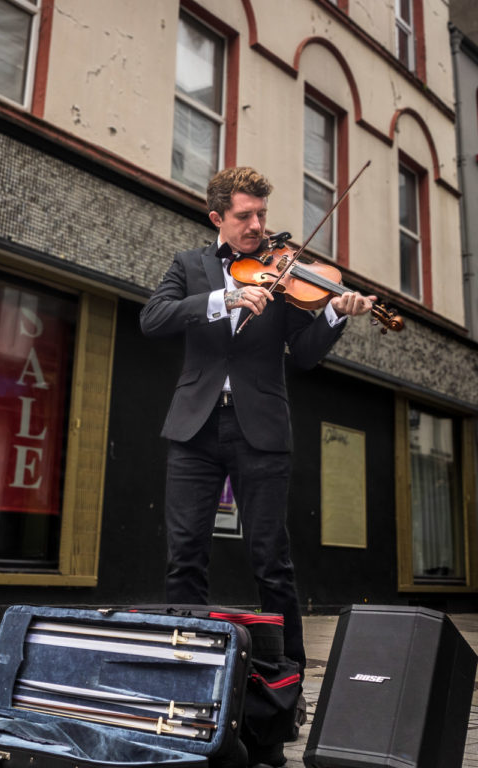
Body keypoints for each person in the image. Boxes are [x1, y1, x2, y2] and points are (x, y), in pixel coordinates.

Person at [140, 167, 375, 673]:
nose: (257, 226)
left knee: (271, 558)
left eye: (262, 215)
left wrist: (335, 314)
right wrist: (223, 298)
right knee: (184, 553)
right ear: (217, 218)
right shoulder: (189, 265)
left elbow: (305, 355)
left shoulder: (285, 273)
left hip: (261, 429)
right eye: (244, 215)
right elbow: (153, 318)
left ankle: (288, 677)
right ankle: (187, 666)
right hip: (193, 429)